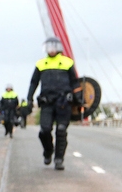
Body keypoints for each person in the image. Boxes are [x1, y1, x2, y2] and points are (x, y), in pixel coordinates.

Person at [26, 37, 81, 170]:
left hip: (63, 102)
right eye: (49, 46)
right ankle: (48, 151)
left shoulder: (67, 62)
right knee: (44, 130)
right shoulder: (41, 64)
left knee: (61, 130)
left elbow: (75, 82)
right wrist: (29, 99)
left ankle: (59, 159)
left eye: (53, 46)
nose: (51, 49)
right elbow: (34, 82)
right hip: (47, 102)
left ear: (58, 48)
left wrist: (78, 98)